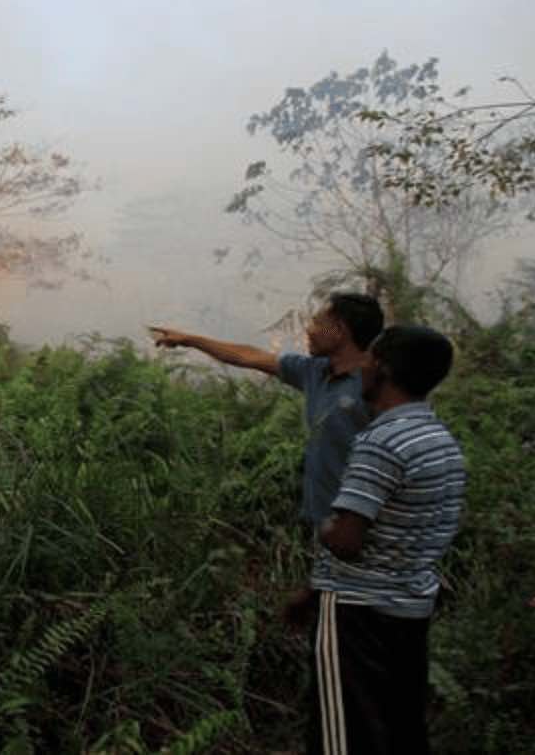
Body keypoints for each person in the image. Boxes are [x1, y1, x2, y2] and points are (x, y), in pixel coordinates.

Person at [307, 325, 466, 754]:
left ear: (383, 369)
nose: (361, 368)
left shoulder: (380, 442)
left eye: (368, 360)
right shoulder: (440, 440)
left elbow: (345, 540)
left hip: (358, 612)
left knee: (344, 735)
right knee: (397, 727)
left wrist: (325, 525)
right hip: (409, 607)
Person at [148, 292, 385, 530]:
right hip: (323, 522)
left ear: (339, 331)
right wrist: (189, 339)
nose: (309, 330)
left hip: (363, 527)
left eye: (317, 323)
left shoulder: (377, 386)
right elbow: (249, 356)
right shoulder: (314, 372)